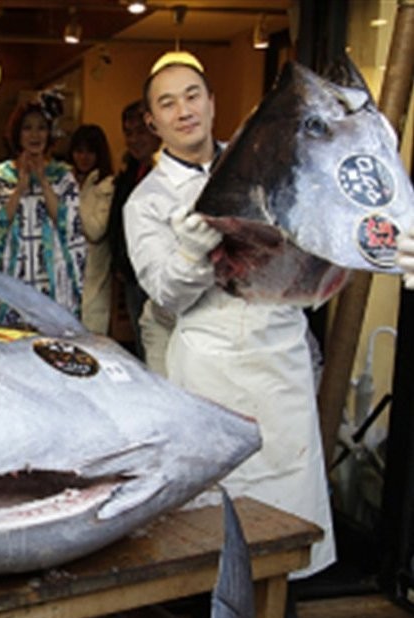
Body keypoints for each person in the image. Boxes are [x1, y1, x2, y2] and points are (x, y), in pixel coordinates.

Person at [125, 53, 335, 589]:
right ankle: (218, 611)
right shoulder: (146, 202)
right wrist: (195, 252)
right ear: (152, 122)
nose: (184, 111)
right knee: (217, 506)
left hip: (279, 351)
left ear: (213, 102)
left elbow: (309, 240)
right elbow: (166, 294)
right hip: (210, 363)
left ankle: (282, 612)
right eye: (167, 103)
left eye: (193, 95)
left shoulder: (265, 166)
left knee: (291, 487)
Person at [0, 89, 85, 325]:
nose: (35, 135)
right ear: (17, 133)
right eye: (27, 128)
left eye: (41, 127)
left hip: (51, 278)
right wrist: (20, 187)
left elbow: (68, 224)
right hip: (13, 276)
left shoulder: (63, 176)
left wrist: (43, 182)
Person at [108, 100, 161, 358]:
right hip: (132, 275)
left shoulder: (165, 171)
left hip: (161, 277)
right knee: (143, 345)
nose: (134, 139)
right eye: (128, 133)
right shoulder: (129, 171)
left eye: (141, 131)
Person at [66, 124, 114, 335]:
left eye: (90, 151)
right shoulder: (67, 180)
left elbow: (95, 230)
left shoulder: (106, 185)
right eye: (79, 151)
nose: (83, 157)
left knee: (91, 339)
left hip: (94, 277)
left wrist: (77, 195)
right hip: (68, 273)